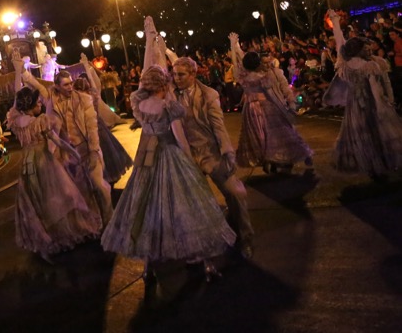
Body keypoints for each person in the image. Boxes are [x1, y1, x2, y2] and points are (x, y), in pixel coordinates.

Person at [101, 66, 236, 292]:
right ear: (163, 85)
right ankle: (204, 261)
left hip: (148, 163)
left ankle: (148, 266)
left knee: (148, 211)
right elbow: (180, 138)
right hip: (170, 157)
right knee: (188, 208)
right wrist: (190, 161)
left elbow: (146, 132)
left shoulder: (140, 106)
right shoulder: (168, 107)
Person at [8, 85, 103, 263]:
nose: (40, 106)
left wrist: (19, 71)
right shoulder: (40, 121)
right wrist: (75, 153)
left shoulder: (17, 121)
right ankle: (59, 235)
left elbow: (16, 103)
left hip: (27, 167)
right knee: (61, 197)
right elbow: (56, 140)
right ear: (30, 105)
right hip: (44, 163)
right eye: (37, 103)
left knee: (37, 201)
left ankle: (45, 238)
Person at [172, 54, 254, 259]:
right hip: (186, 157)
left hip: (210, 153)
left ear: (193, 74)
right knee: (189, 204)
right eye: (174, 75)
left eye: (181, 75)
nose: (176, 78)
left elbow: (218, 127)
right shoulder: (170, 95)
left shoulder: (209, 95)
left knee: (236, 193)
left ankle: (246, 238)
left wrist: (227, 152)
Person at [18, 51, 112, 226]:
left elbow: (92, 128)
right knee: (81, 191)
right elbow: (36, 85)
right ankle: (96, 223)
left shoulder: (84, 100)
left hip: (87, 148)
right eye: (66, 85)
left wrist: (93, 151)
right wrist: (21, 71)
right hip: (69, 153)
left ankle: (110, 219)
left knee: (99, 186)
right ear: (58, 86)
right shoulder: (52, 100)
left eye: (71, 84)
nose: (70, 87)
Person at [327, 9, 402, 178]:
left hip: (374, 103)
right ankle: (372, 165)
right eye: (365, 48)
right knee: (365, 135)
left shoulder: (376, 63)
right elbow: (340, 42)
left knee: (379, 134)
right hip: (360, 104)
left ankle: (380, 164)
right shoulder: (352, 64)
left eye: (370, 47)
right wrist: (336, 23)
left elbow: (385, 83)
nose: (369, 50)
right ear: (357, 50)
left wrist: (388, 99)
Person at [229, 33, 314, 174]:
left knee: (262, 136)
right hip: (266, 106)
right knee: (277, 134)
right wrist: (282, 106)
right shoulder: (263, 75)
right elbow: (270, 92)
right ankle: (272, 158)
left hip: (251, 109)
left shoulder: (242, 75)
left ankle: (273, 159)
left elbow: (237, 61)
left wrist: (234, 46)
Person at [76, 55, 134, 185]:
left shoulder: (91, 97)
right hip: (92, 131)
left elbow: (93, 84)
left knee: (104, 161)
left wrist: (86, 65)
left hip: (98, 131)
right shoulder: (85, 98)